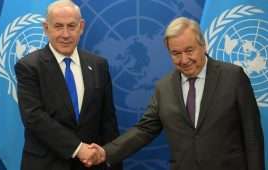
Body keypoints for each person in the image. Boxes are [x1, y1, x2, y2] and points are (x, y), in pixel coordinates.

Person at [85, 17, 265, 170]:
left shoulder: (233, 77)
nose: (184, 60)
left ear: (203, 45)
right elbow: (144, 130)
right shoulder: (164, 88)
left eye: (189, 50)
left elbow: (252, 136)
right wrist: (105, 152)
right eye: (176, 53)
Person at [15, 0, 122, 170]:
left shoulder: (98, 65)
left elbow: (108, 120)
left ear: (81, 27)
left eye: (71, 26)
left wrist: (112, 162)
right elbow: (34, 117)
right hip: (46, 164)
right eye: (58, 26)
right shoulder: (29, 66)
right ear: (46, 28)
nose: (65, 34)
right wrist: (78, 149)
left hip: (93, 165)